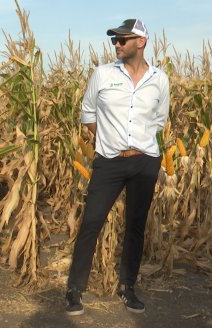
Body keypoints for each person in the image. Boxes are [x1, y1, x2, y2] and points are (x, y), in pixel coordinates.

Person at [65, 19, 170, 316]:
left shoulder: (159, 79)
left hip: (145, 161)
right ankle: (74, 289)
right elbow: (88, 113)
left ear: (141, 42)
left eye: (123, 40)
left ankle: (128, 287)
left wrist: (141, 145)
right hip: (109, 161)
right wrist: (106, 141)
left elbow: (160, 119)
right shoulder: (102, 74)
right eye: (115, 40)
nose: (117, 44)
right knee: (91, 223)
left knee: (135, 227)